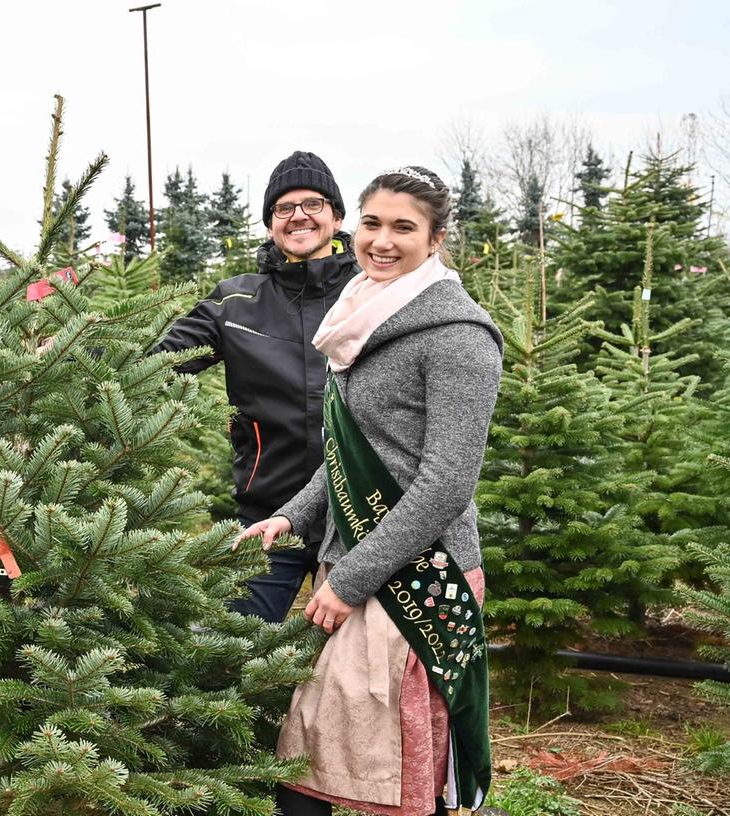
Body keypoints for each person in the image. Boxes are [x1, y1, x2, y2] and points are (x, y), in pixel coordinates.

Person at [244, 167, 503, 815]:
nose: (382, 240)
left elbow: (444, 485)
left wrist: (348, 581)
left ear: (435, 239)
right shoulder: (358, 319)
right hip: (353, 563)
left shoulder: (456, 337)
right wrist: (289, 517)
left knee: (407, 765)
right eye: (372, 222)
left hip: (418, 574)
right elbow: (347, 452)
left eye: (403, 228)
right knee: (313, 753)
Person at [154, 150, 359, 621]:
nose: (298, 216)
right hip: (268, 514)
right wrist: (75, 351)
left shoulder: (368, 291)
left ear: (337, 215)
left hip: (359, 515)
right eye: (283, 208)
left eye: (313, 203)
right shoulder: (236, 301)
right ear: (270, 224)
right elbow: (161, 357)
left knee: (359, 672)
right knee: (238, 651)